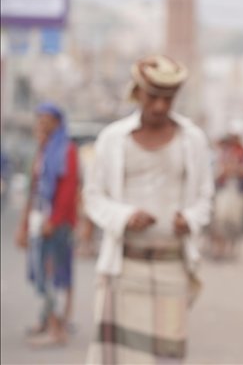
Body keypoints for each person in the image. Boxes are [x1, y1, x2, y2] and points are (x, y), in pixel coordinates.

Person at [84, 55, 214, 364]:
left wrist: (190, 219)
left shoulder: (192, 139)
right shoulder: (112, 138)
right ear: (138, 92)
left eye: (167, 99)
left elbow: (205, 198)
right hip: (124, 268)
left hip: (172, 268)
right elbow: (92, 196)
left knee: (165, 357)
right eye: (153, 97)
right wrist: (125, 217)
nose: (159, 106)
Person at [15, 103, 79, 347]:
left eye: (46, 118)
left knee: (56, 275)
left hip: (57, 224)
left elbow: (69, 188)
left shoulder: (66, 149)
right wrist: (23, 224)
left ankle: (57, 327)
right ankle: (46, 319)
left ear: (57, 121)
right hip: (39, 221)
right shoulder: (43, 149)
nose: (40, 122)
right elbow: (34, 190)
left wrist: (55, 220)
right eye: (38, 118)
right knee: (39, 272)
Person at [212, 132, 243, 258]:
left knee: (235, 222)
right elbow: (218, 172)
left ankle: (230, 249)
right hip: (224, 190)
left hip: (238, 192)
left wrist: (235, 169)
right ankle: (220, 249)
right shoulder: (224, 154)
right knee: (220, 220)